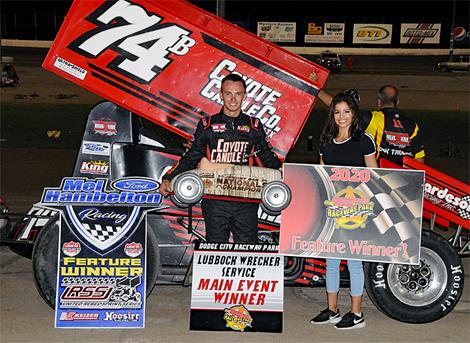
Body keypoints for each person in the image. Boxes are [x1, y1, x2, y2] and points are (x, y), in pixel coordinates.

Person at [159, 73, 281, 243]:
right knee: (215, 251)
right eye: (228, 93)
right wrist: (168, 178)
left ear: (244, 96)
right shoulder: (207, 125)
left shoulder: (254, 125)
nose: (233, 99)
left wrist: (287, 176)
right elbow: (191, 157)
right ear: (221, 95)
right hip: (215, 200)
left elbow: (269, 158)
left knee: (248, 253)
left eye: (238, 94)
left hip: (246, 200)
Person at [310, 92, 377, 330]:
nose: (341, 117)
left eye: (346, 111)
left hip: (356, 211)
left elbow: (374, 177)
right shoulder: (326, 140)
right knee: (331, 261)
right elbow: (322, 175)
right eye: (337, 112)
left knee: (354, 263)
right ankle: (333, 310)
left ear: (354, 113)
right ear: (332, 114)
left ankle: (357, 313)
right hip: (333, 210)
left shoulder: (364, 140)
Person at [309, 72, 425, 166]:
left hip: (382, 174)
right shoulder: (413, 125)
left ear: (379, 102)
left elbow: (339, 106)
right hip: (404, 180)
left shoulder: (374, 118)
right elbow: (419, 160)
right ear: (397, 102)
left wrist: (317, 90)